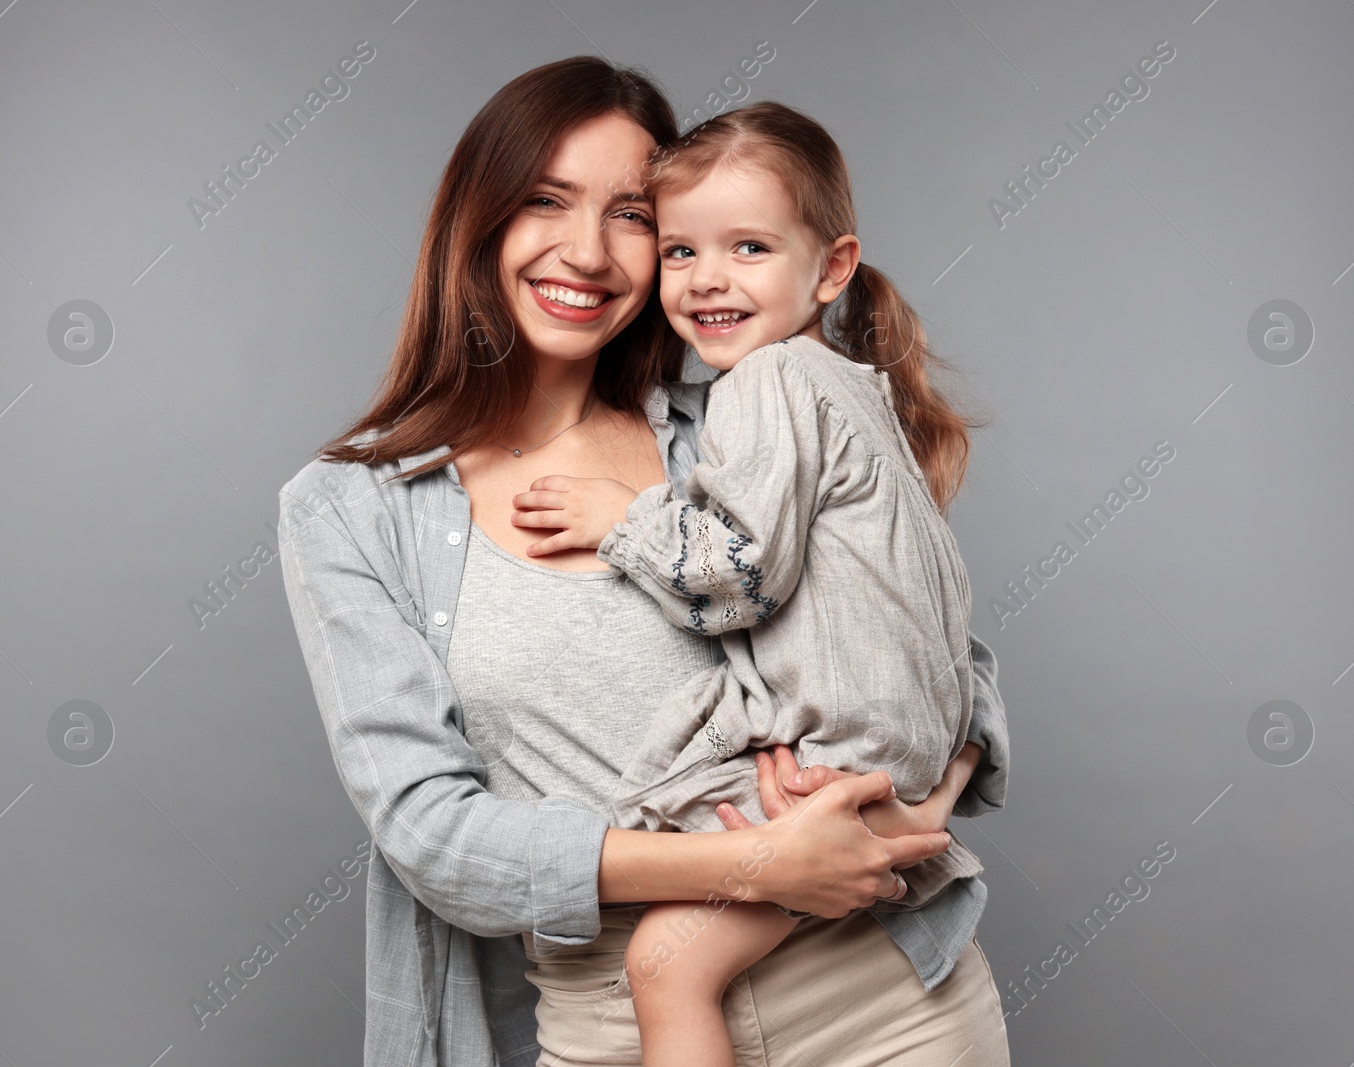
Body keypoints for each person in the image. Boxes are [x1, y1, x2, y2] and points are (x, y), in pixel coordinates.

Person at [277, 56, 1011, 1067]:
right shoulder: (354, 509)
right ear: (477, 219)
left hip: (885, 1006)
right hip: (626, 1024)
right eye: (545, 200)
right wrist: (755, 860)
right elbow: (434, 836)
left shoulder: (739, 417)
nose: (586, 251)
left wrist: (905, 808)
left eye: (628, 214)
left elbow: (937, 641)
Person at [508, 100, 989, 1067]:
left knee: (664, 966)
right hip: (891, 749)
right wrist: (936, 780)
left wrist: (624, 517)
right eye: (681, 251)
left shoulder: (765, 385)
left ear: (833, 267)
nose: (708, 279)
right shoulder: (855, 387)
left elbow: (737, 581)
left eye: (750, 247)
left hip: (840, 753)